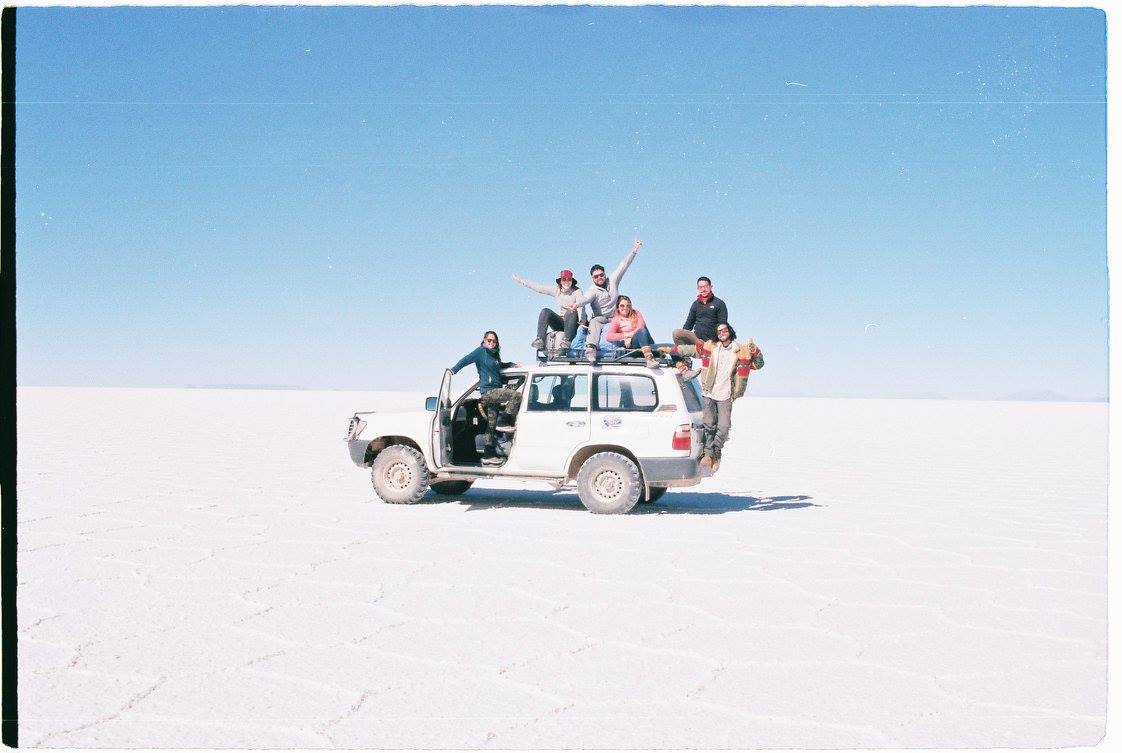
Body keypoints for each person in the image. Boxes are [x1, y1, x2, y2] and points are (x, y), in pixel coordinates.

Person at [661, 323, 764, 472]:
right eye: (719, 331)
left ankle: (714, 453)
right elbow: (689, 350)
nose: (722, 333)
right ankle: (709, 455)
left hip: (726, 395)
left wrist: (755, 351)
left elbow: (759, 364)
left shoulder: (741, 351)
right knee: (709, 426)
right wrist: (669, 350)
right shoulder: (710, 347)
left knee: (723, 428)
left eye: (724, 330)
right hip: (709, 392)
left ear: (730, 331)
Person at [450, 331, 521, 465]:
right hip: (489, 392)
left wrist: (510, 364)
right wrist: (453, 370)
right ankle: (504, 420)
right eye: (489, 340)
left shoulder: (494, 355)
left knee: (491, 425)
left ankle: (488, 455)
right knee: (516, 396)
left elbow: (498, 366)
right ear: (484, 340)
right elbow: (465, 360)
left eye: (494, 341)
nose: (491, 343)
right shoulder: (480, 352)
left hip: (495, 393)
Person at [567, 237, 643, 363]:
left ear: (605, 274)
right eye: (596, 277)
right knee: (594, 321)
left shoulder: (612, 281)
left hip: (615, 317)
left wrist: (634, 250)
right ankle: (591, 349)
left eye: (601, 275)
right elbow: (586, 299)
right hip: (601, 318)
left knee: (630, 321)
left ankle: (638, 345)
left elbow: (623, 266)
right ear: (592, 278)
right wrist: (577, 304)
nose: (599, 278)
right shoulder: (592, 290)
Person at [511, 268, 586, 354]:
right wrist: (521, 281)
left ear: (572, 281)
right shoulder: (557, 290)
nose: (566, 282)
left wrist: (582, 320)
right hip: (562, 323)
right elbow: (539, 288)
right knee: (545, 311)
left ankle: (567, 342)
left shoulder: (577, 291)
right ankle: (540, 340)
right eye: (564, 279)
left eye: (569, 279)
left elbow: (581, 305)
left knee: (571, 311)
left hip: (573, 324)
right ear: (560, 281)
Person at [671, 276, 729, 380]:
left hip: (711, 343)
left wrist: (720, 345)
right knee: (676, 333)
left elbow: (723, 326)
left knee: (710, 376)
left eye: (705, 286)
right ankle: (685, 364)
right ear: (698, 289)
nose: (703, 289)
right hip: (697, 340)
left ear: (711, 287)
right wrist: (683, 343)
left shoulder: (719, 304)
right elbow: (688, 326)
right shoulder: (695, 304)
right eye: (700, 287)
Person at [603, 295, 659, 368]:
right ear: (618, 307)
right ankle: (649, 359)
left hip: (645, 341)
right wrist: (627, 336)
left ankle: (673, 361)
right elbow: (609, 336)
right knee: (642, 332)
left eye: (628, 306)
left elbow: (641, 326)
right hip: (633, 346)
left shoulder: (636, 313)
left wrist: (631, 336)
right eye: (622, 306)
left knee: (643, 331)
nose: (625, 308)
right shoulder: (616, 319)